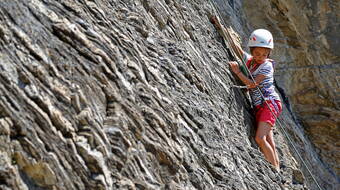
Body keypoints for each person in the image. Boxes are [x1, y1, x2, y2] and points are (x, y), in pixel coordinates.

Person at [228, 29, 282, 171]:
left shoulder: (267, 66)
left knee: (260, 138)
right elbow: (237, 49)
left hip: (269, 103)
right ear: (252, 50)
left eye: (264, 54)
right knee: (269, 140)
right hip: (261, 105)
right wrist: (219, 25)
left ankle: (275, 171)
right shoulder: (251, 62)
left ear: (269, 53)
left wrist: (238, 72)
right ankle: (277, 170)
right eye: (257, 53)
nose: (260, 57)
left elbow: (252, 84)